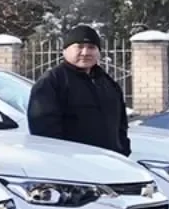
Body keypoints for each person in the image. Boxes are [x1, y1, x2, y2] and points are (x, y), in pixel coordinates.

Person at [27, 25, 130, 156]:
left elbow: (121, 125)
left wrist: (123, 150)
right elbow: (44, 131)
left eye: (91, 47)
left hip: (110, 161)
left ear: (98, 52)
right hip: (72, 163)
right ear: (65, 50)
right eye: (79, 47)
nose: (85, 52)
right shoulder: (52, 82)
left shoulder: (108, 83)